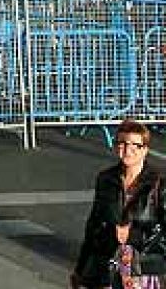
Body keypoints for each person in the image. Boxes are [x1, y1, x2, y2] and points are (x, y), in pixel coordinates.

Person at [73, 120, 165, 288]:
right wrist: (81, 269)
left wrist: (133, 237)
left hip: (142, 270)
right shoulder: (106, 179)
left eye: (134, 145)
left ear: (145, 150)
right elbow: (94, 224)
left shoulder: (159, 183)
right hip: (106, 265)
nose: (127, 150)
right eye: (122, 144)